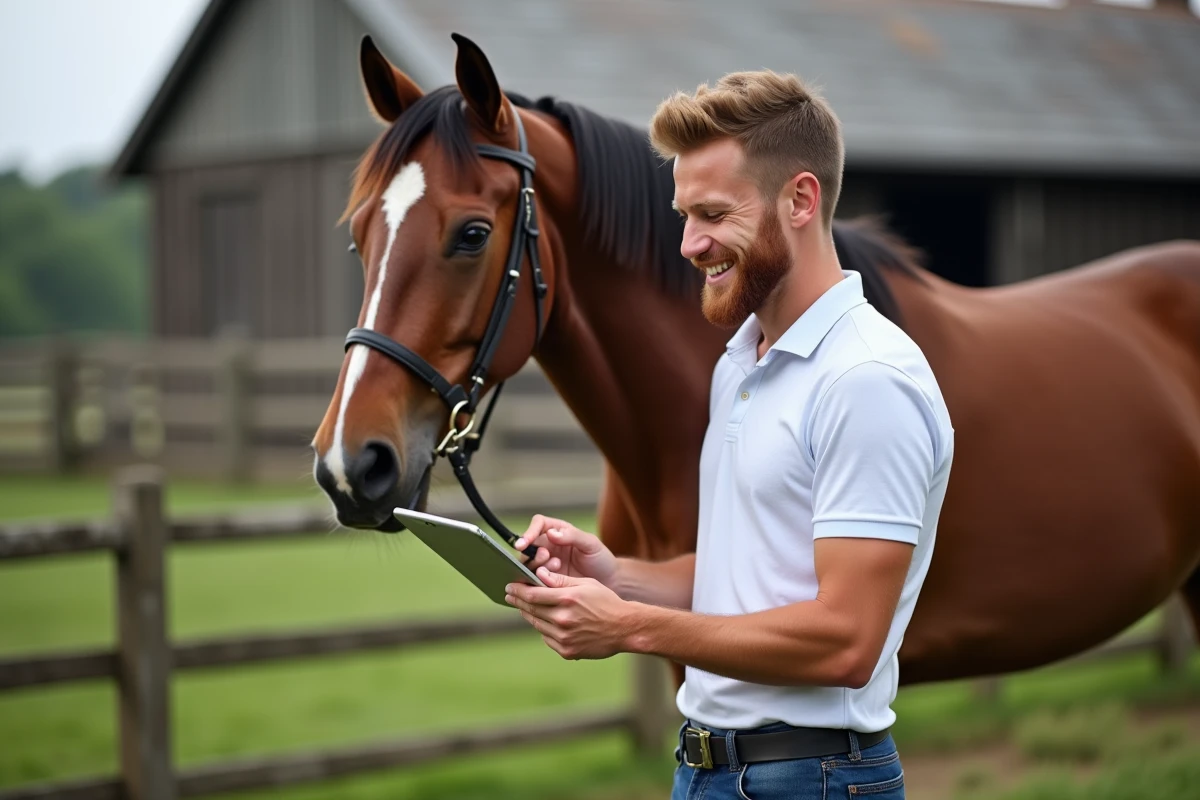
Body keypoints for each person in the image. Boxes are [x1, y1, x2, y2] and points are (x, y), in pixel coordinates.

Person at [504, 69, 954, 800]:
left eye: (712, 213)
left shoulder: (867, 380)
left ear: (801, 200)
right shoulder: (742, 362)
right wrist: (614, 575)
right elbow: (738, 581)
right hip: (713, 772)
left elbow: (846, 639)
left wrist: (631, 627)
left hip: (813, 779)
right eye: (684, 215)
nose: (688, 243)